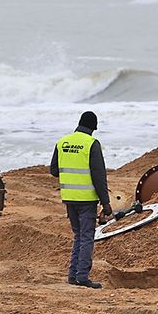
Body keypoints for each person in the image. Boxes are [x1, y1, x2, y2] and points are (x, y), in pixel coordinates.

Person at [49, 111, 112, 289]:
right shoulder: (91, 144)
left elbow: (54, 170)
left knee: (78, 236)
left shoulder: (62, 142)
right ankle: (82, 277)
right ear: (94, 127)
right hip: (86, 200)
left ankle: (72, 275)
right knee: (86, 238)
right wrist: (106, 203)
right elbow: (99, 176)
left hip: (69, 197)